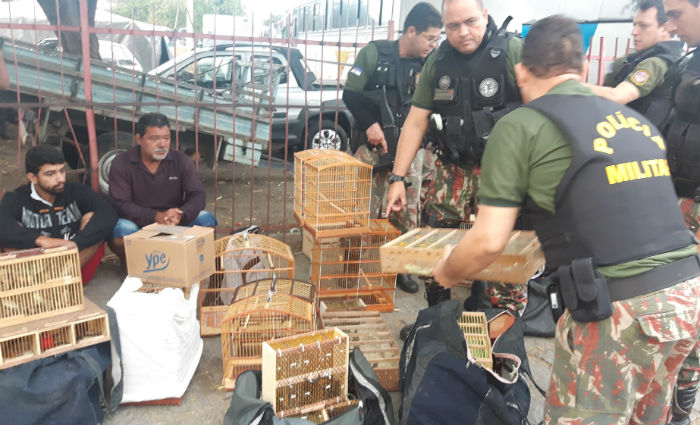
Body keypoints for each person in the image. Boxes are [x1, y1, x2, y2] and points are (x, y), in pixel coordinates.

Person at [432, 14, 700, 424]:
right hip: (686, 298)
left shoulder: (522, 124)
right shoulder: (637, 122)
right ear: (581, 70)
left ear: (522, 71)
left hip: (619, 315)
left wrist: (448, 271)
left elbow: (487, 240)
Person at [385, 0, 525, 325]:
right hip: (452, 171)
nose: (463, 32)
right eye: (452, 26)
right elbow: (416, 121)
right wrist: (397, 177)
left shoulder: (512, 51)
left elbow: (542, 107)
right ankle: (437, 322)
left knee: (504, 258)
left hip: (502, 172)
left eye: (471, 22)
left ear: (486, 16)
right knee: (435, 244)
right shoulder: (439, 61)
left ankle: (497, 330)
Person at [343, 1, 442, 294]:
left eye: (437, 39)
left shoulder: (432, 63)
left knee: (407, 212)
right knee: (360, 209)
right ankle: (351, 267)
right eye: (430, 38)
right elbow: (350, 93)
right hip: (373, 149)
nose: (433, 44)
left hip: (409, 152)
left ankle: (400, 270)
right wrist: (370, 123)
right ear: (411, 31)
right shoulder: (374, 53)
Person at [108, 112, 217, 269]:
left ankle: (188, 265)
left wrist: (181, 214)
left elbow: (197, 194)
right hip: (139, 223)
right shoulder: (122, 163)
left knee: (206, 220)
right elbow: (121, 204)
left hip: (174, 221)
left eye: (166, 138)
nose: (162, 144)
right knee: (122, 230)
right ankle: (135, 266)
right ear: (139, 139)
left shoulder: (180, 160)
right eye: (154, 139)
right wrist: (155, 217)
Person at [662, 0, 700, 423]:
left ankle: (681, 406)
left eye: (677, 14)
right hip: (679, 203)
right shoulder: (688, 62)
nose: (672, 26)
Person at [0, 145, 117, 270]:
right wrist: (40, 240)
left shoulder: (77, 191)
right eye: (50, 174)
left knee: (92, 219)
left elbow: (108, 214)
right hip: (35, 267)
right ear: (32, 177)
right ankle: (40, 283)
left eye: (62, 170)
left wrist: (76, 243)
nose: (60, 179)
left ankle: (65, 280)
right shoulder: (15, 198)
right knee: (9, 239)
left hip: (74, 263)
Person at [589, 0, 683, 129]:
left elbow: (617, 96)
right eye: (635, 25)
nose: (634, 32)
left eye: (643, 26)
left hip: (636, 140)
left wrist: (571, 85)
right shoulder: (634, 59)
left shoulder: (655, 63)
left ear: (665, 28)